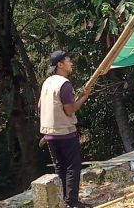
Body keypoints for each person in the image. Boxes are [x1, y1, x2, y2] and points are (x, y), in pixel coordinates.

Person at [38, 51, 92, 208]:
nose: (71, 63)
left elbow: (40, 106)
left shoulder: (47, 83)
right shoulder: (64, 84)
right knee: (72, 168)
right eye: (68, 60)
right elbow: (70, 110)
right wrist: (84, 97)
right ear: (60, 65)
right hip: (65, 133)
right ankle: (72, 202)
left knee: (60, 167)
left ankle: (63, 201)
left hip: (49, 133)